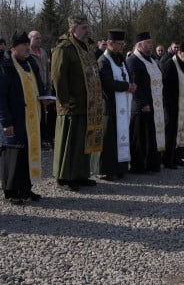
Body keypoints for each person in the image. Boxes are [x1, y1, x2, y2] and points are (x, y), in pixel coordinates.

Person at [0, 31, 50, 205]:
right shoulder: (4, 65)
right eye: (23, 45)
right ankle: (11, 191)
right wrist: (6, 121)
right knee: (13, 155)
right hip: (14, 118)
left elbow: (37, 86)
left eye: (27, 44)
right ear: (14, 48)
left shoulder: (31, 62)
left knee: (27, 154)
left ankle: (25, 188)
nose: (27, 47)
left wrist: (43, 98)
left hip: (30, 118)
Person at [51, 15, 104, 191]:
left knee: (83, 141)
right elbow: (58, 77)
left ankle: (81, 174)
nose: (88, 30)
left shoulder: (87, 47)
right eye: (83, 27)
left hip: (87, 104)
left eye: (88, 27)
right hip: (71, 105)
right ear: (73, 29)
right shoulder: (64, 48)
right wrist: (64, 100)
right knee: (70, 143)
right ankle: (65, 177)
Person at [92, 29, 136, 180]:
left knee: (120, 138)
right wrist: (126, 86)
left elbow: (128, 74)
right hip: (110, 107)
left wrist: (131, 83)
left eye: (123, 44)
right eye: (119, 44)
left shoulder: (120, 58)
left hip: (122, 103)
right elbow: (107, 83)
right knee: (109, 140)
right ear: (110, 43)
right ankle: (106, 170)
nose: (122, 46)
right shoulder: (103, 61)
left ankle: (120, 167)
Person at [126, 32, 164, 173]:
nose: (151, 45)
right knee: (140, 138)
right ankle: (138, 166)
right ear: (140, 45)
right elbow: (134, 84)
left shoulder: (152, 60)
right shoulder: (133, 61)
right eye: (148, 43)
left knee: (149, 137)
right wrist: (143, 103)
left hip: (154, 103)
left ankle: (151, 164)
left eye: (151, 42)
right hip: (140, 107)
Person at [161, 40, 184, 169]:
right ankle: (167, 159)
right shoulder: (170, 65)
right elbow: (165, 87)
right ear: (179, 53)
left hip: (183, 106)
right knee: (170, 134)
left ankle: (177, 157)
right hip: (171, 106)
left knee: (180, 132)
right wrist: (167, 106)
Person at [29, 30, 54, 149]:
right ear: (30, 39)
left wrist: (49, 87)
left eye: (40, 38)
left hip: (44, 88)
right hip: (33, 89)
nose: (39, 40)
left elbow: (47, 71)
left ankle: (45, 138)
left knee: (45, 116)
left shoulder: (43, 52)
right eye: (36, 38)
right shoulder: (27, 53)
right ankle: (36, 140)